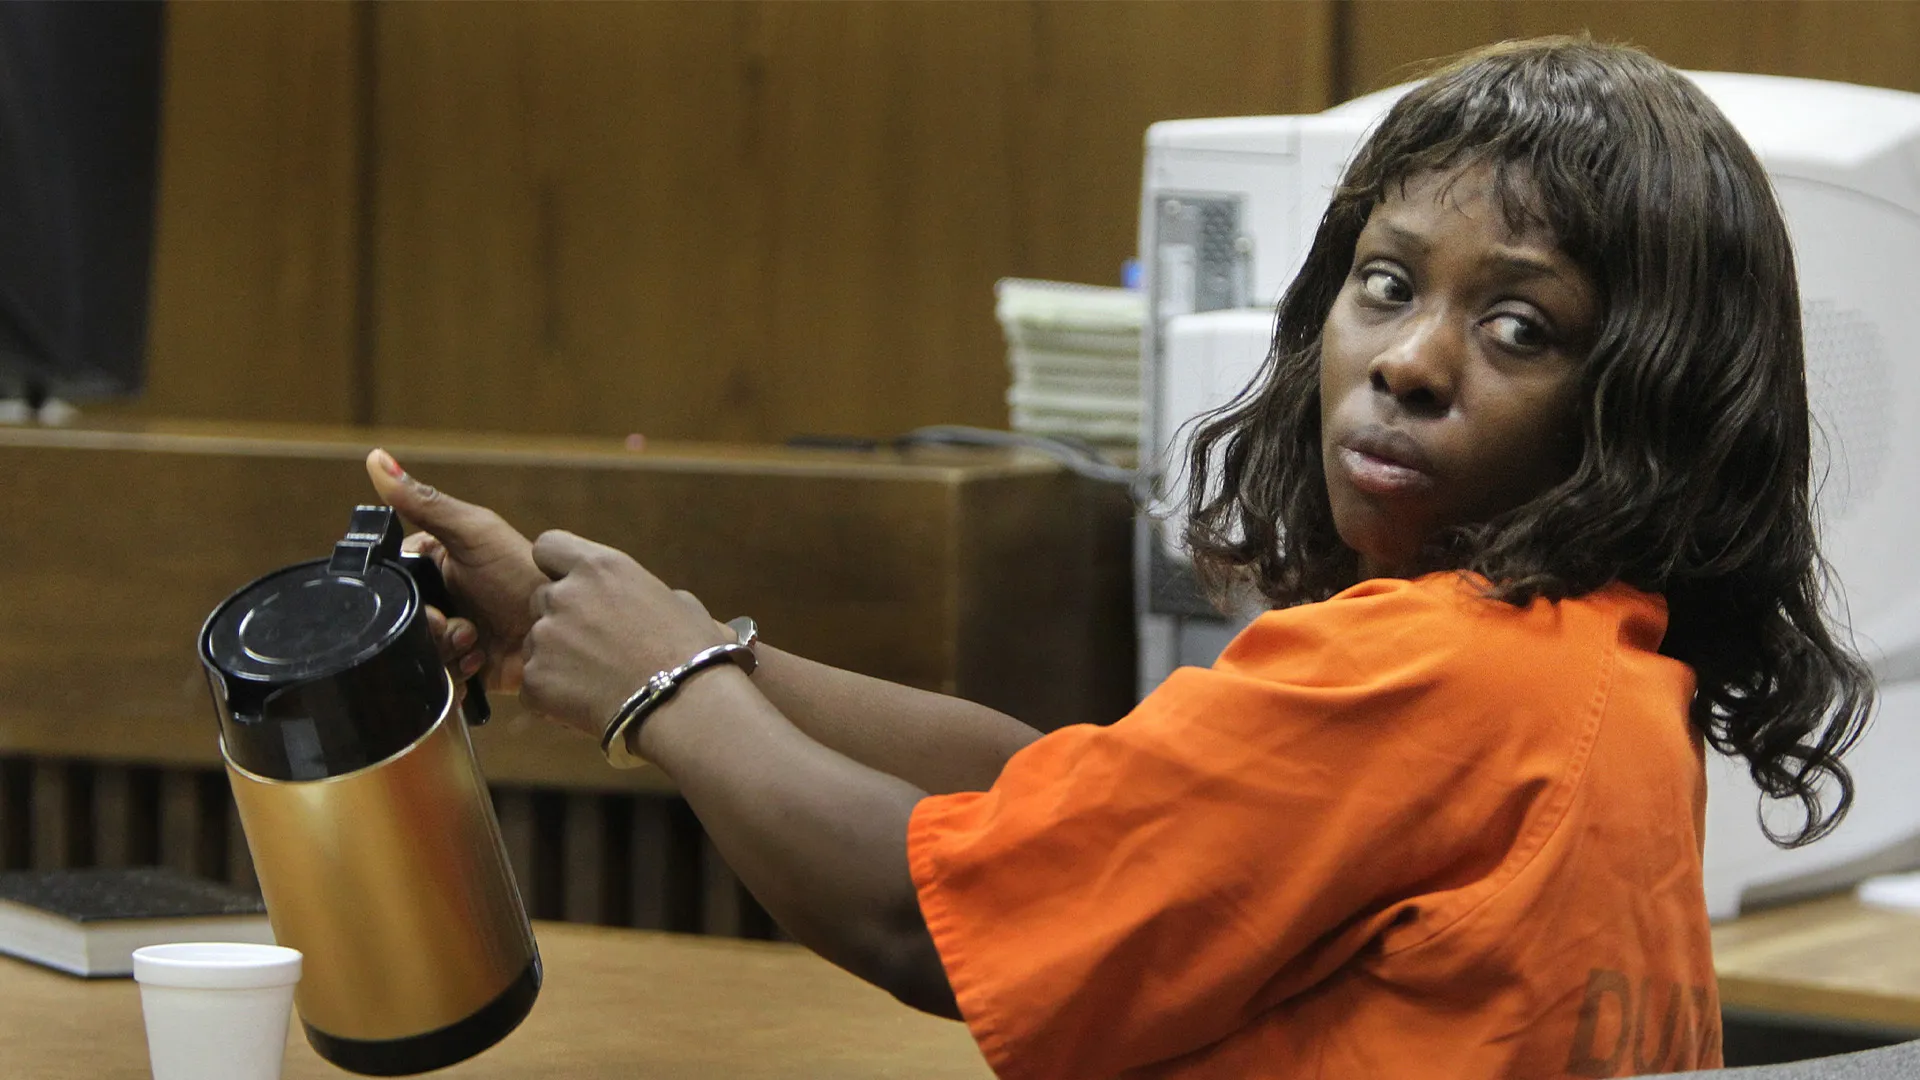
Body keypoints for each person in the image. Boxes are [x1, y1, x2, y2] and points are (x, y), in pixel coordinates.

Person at [362, 36, 1873, 1080]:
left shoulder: (1441, 676)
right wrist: (639, 632)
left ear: (1644, 412)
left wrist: (669, 691)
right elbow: (1073, 798)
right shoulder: (1593, 669)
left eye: (1520, 327)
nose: (1410, 360)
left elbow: (917, 923)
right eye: (1385, 283)